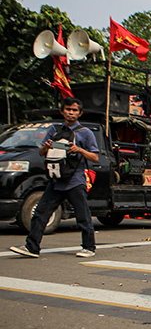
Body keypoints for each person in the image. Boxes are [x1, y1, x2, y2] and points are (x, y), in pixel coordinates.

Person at [10, 97, 99, 259]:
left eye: (74, 110)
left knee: (83, 216)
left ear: (80, 113)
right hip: (56, 180)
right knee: (40, 214)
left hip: (75, 181)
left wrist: (78, 149)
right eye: (67, 109)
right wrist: (47, 146)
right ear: (62, 111)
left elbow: (94, 157)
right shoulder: (53, 129)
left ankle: (89, 247)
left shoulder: (86, 133)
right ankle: (32, 247)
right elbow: (41, 152)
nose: (70, 113)